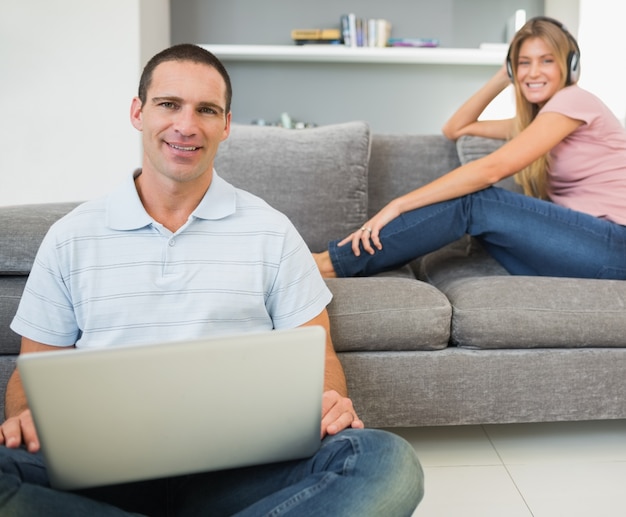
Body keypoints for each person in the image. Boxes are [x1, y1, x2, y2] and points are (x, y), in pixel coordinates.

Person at [0, 44, 423, 516]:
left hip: (243, 472)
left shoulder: (271, 230)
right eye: (169, 104)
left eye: (206, 109)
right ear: (138, 112)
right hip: (104, 472)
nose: (186, 125)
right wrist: (25, 416)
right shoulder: (71, 236)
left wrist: (331, 401)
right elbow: (32, 372)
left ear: (225, 124)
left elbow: (318, 353)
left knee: (387, 460)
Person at [314, 17, 626, 281]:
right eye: (523, 63)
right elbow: (455, 128)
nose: (533, 73)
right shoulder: (534, 123)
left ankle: (331, 264)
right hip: (589, 247)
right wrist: (505, 76)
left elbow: (493, 169)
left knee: (474, 203)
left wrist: (399, 204)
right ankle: (342, 262)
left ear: (571, 67)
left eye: (547, 61)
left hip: (614, 244)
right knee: (476, 216)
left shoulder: (574, 100)